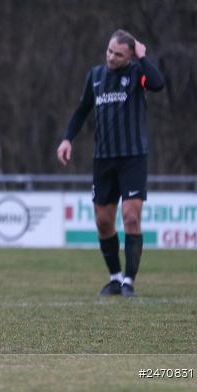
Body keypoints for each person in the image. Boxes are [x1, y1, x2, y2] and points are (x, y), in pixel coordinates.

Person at [57, 30, 165, 297]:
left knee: (130, 216)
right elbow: (82, 110)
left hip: (133, 158)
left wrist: (143, 56)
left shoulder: (138, 73)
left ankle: (129, 281)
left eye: (118, 54)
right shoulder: (95, 76)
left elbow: (158, 83)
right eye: (109, 51)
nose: (111, 57)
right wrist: (67, 139)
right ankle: (115, 278)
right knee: (103, 221)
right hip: (103, 159)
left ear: (129, 55)